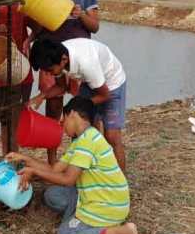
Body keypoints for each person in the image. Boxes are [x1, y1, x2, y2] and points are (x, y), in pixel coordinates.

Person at [5, 97, 151, 234]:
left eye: (64, 119)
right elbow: (55, 170)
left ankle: (123, 232)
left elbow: (68, 180)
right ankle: (79, 217)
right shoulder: (83, 140)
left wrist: (33, 171)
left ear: (73, 114)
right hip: (104, 197)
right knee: (52, 194)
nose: (62, 124)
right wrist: (25, 159)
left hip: (108, 205)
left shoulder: (86, 143)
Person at [30, 0, 100, 164]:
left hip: (79, 60)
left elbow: (94, 26)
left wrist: (79, 13)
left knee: (83, 110)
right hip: (51, 59)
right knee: (52, 110)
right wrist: (34, 7)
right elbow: (39, 27)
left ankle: (85, 158)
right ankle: (53, 162)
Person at [28, 37, 128, 173]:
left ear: (63, 60)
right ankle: (86, 174)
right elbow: (61, 87)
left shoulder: (86, 63)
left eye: (50, 69)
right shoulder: (58, 56)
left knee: (112, 135)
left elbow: (105, 95)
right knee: (79, 131)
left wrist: (78, 107)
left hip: (112, 83)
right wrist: (40, 97)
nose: (48, 73)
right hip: (90, 81)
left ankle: (120, 182)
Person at [0, 3, 33, 154]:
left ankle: (13, 159)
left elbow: (40, 25)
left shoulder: (17, 8)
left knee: (14, 121)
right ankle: (8, 157)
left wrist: (28, 40)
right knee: (4, 121)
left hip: (20, 73)